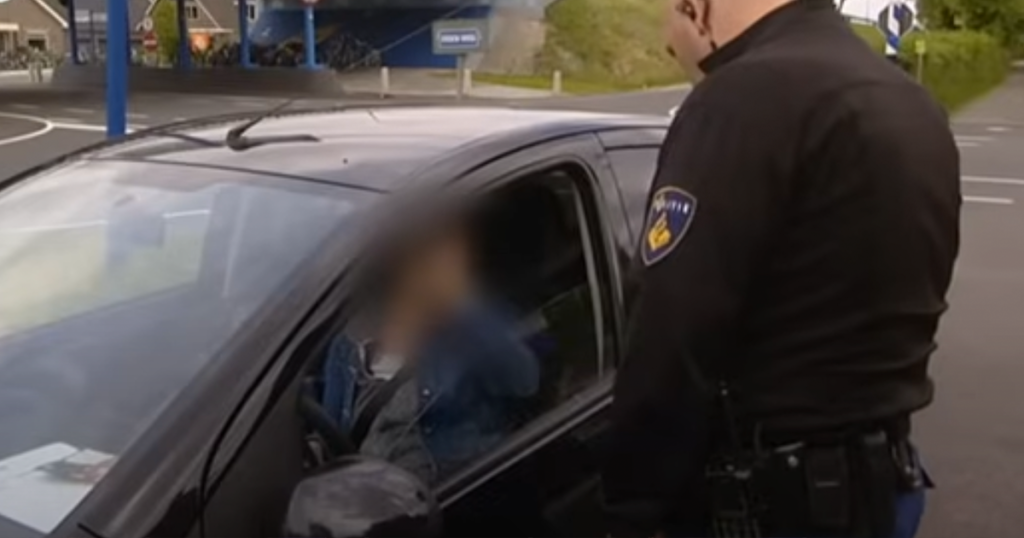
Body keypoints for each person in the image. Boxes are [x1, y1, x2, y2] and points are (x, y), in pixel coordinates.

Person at [601, 0, 960, 537]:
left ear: (698, 7)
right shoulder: (910, 100)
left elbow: (671, 327)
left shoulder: (739, 98)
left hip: (770, 500)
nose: (668, 43)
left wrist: (630, 508)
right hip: (882, 485)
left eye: (672, 18)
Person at [321, 220, 542, 485]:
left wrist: (460, 304)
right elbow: (332, 437)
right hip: (367, 493)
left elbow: (525, 380)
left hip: (452, 490)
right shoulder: (348, 343)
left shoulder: (474, 326)